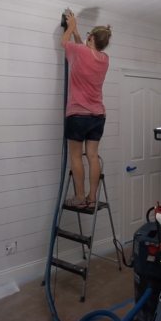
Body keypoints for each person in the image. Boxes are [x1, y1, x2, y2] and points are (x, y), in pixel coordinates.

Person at [61, 11, 112, 207]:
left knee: (76, 156)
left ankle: (80, 197)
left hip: (77, 114)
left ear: (91, 38)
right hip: (97, 116)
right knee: (92, 155)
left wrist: (71, 26)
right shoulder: (104, 59)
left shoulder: (80, 52)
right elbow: (83, 48)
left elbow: (64, 43)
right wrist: (78, 33)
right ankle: (92, 197)